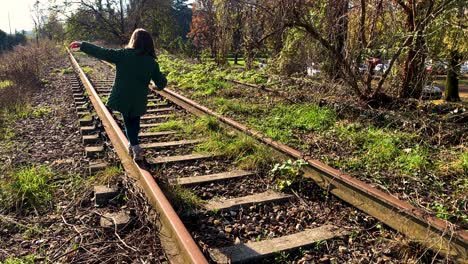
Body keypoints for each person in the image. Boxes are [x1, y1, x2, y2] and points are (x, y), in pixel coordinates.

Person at [70, 28, 167, 161]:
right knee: (135, 123)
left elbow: (102, 52)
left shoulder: (123, 54)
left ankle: (135, 146)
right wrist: (155, 86)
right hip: (138, 99)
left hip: (123, 96)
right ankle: (133, 143)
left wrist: (83, 45)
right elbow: (161, 83)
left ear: (133, 40)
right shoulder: (151, 62)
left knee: (128, 122)